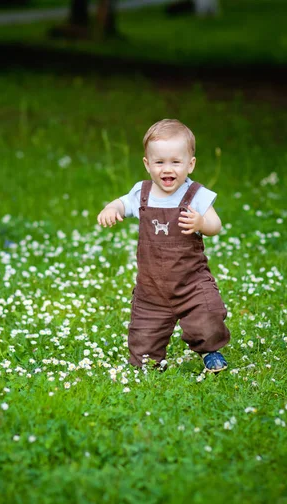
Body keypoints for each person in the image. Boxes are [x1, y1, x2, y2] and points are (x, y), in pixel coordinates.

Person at [97, 119, 230, 373]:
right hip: (152, 287)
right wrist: (111, 208)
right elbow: (121, 204)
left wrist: (201, 222)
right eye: (159, 162)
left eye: (175, 162)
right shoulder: (142, 193)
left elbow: (216, 225)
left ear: (190, 164)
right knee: (143, 340)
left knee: (208, 317)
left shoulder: (197, 195)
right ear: (147, 164)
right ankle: (148, 361)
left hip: (191, 282)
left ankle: (210, 351)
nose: (167, 169)